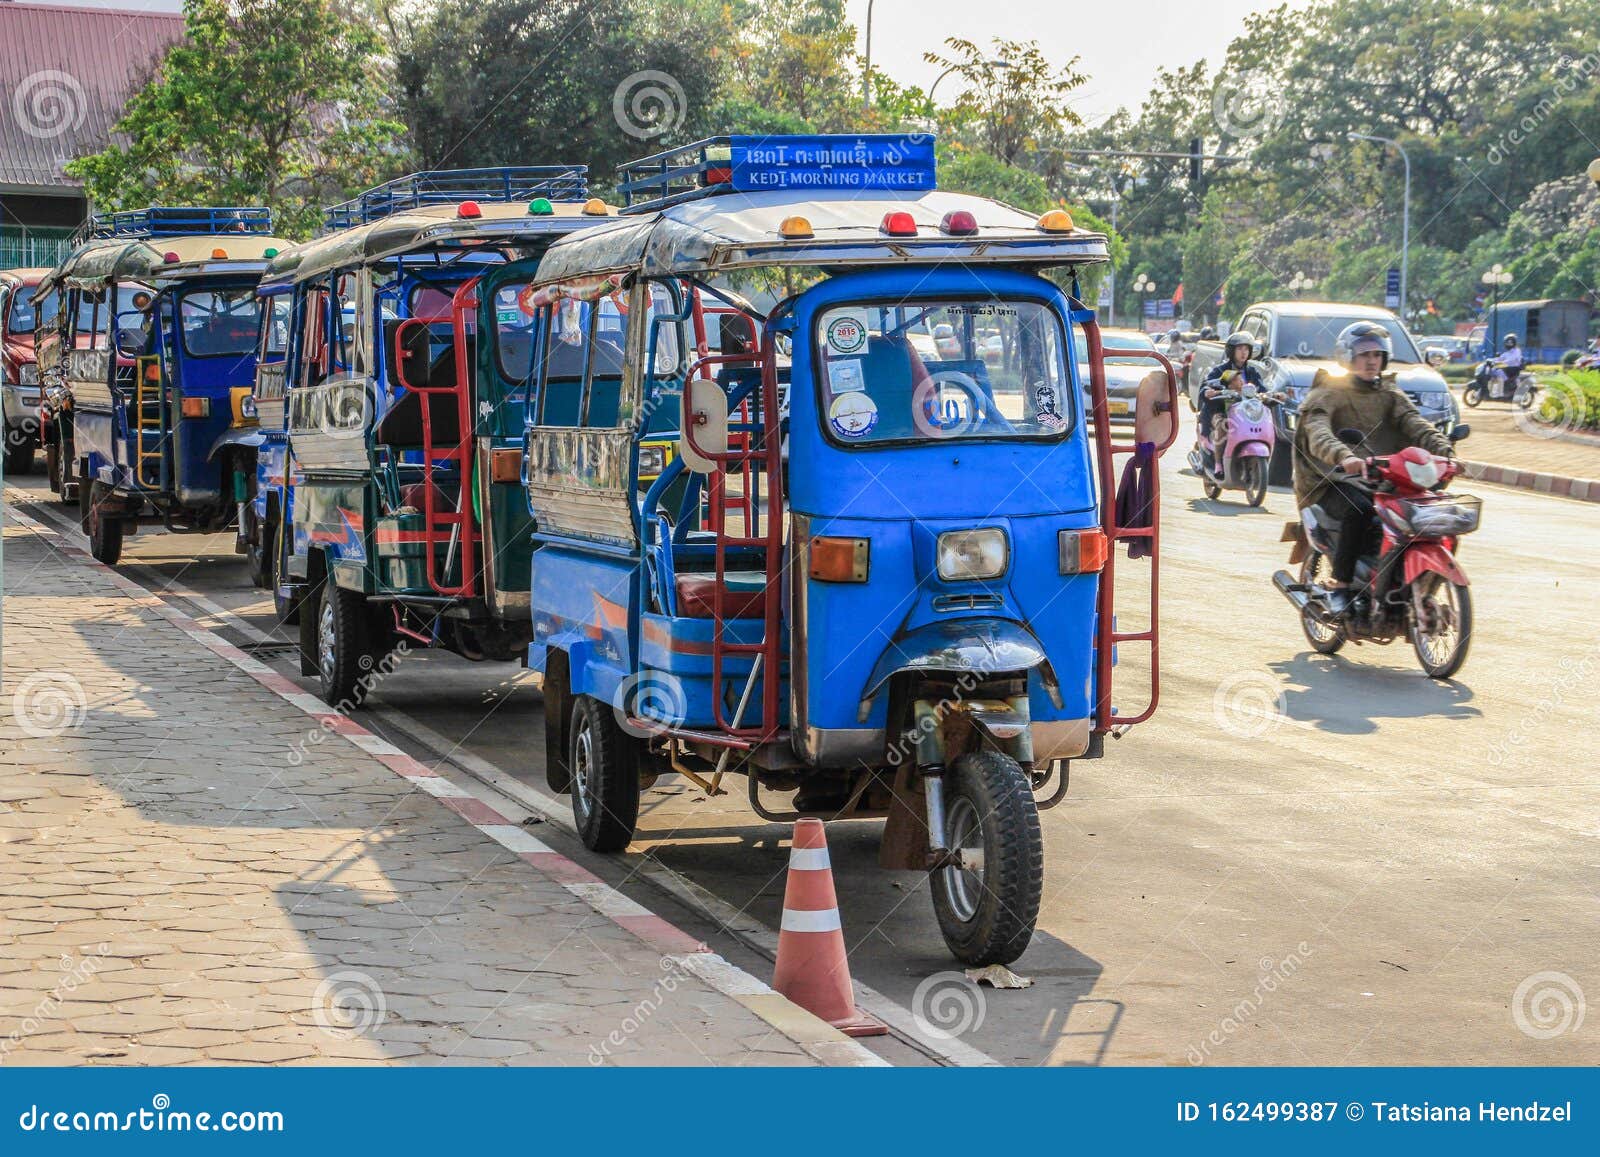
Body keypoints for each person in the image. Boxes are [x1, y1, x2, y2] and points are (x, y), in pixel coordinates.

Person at [1293, 321, 1455, 614]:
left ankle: (1403, 580)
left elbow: (1416, 424)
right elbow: (1317, 431)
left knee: (1426, 513)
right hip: (1331, 479)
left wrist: (1446, 452)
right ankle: (1341, 582)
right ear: (1348, 357)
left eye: (1377, 355)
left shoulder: (1390, 393)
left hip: (1384, 476)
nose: (1371, 361)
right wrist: (1343, 457)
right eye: (1364, 354)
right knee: (1360, 510)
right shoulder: (1328, 392)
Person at [1198, 332, 1261, 472]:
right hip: (1221, 411)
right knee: (1222, 425)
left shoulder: (1252, 372)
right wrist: (1208, 391)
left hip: (1244, 413)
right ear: (1231, 351)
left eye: (1246, 349)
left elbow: (1262, 388)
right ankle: (1218, 463)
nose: (1243, 353)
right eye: (1239, 349)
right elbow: (1207, 384)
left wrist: (1275, 394)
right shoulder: (1220, 370)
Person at [1490, 333, 1523, 398]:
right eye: (1507, 342)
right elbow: (1500, 358)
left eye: (1510, 342)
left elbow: (1511, 360)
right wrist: (1491, 360)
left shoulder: (1517, 351)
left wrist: (1499, 363)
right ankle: (1495, 389)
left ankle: (1501, 391)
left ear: (1513, 343)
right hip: (1508, 368)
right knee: (1493, 371)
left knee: (1499, 371)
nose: (1508, 344)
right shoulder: (1508, 352)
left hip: (1514, 369)